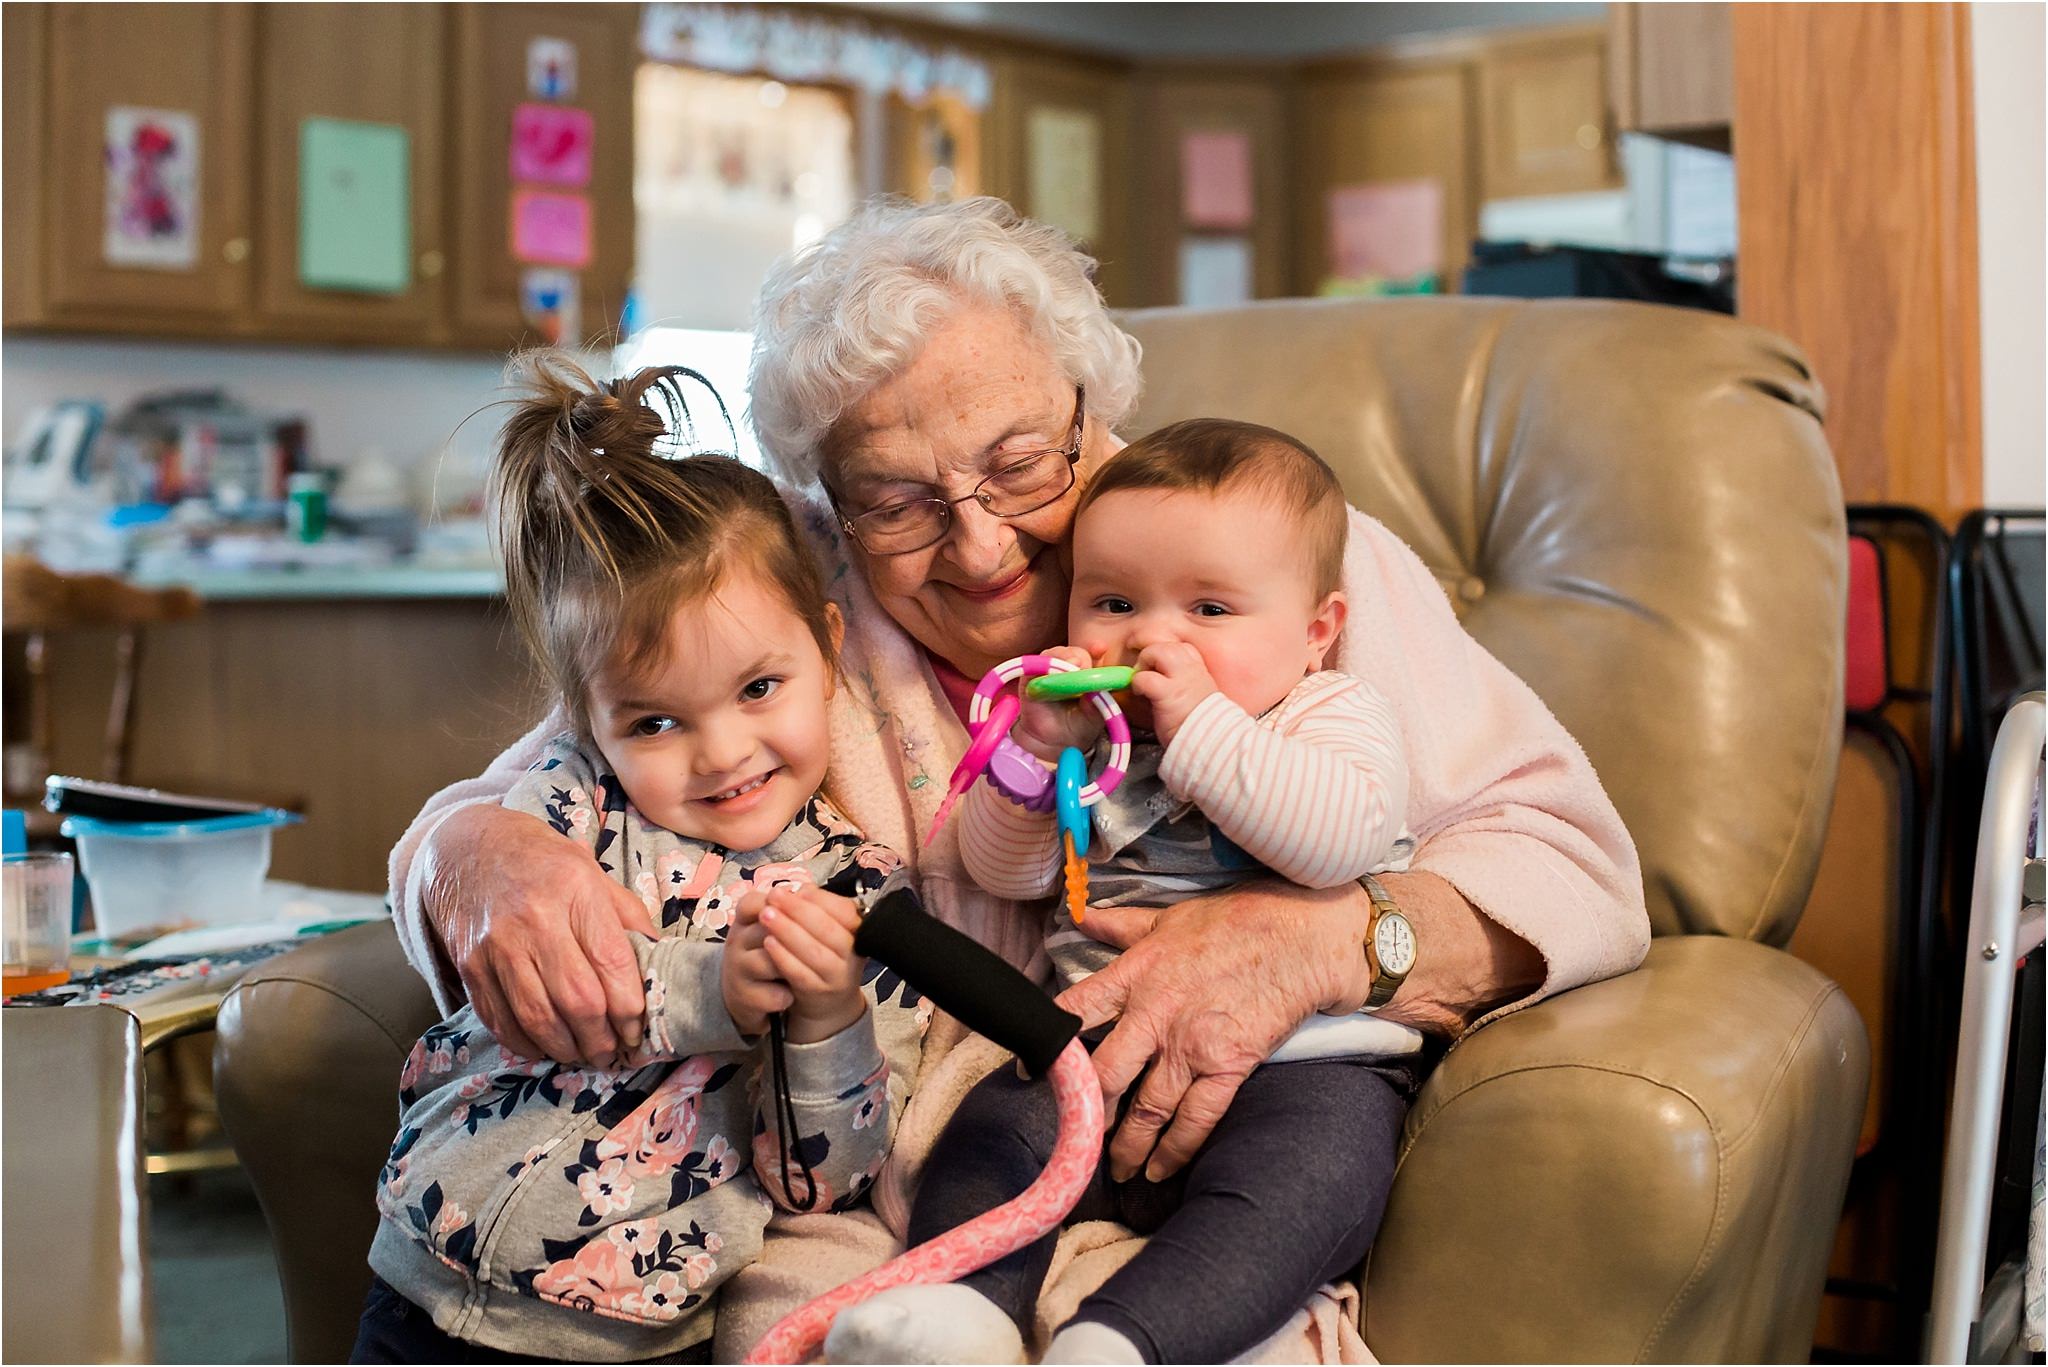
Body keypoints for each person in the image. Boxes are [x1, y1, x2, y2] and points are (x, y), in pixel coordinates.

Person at [390, 197, 1649, 1359]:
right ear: (825, 503)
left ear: (1092, 415)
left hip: (1233, 1150)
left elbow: (1572, 858)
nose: (980, 542)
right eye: (896, 500)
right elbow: (536, 790)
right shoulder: (794, 598)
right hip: (905, 1188)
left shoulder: (1266, 561)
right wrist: (470, 856)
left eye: (1019, 463)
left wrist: (1324, 941)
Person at [353, 358, 925, 1364]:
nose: (720, 752)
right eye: (655, 719)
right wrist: (725, 990)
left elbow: (821, 1179)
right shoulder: (569, 801)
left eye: (758, 687)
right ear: (586, 721)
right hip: (416, 1273)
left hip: (634, 1333)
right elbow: (570, 996)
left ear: (827, 650)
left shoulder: (864, 897)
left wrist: (829, 1019)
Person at [831, 418, 1426, 1364]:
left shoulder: (1327, 711)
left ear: (1317, 632)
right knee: (990, 1136)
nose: (1152, 639)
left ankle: (1120, 1342)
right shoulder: (1094, 745)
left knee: (1303, 1191)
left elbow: (1336, 839)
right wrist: (1033, 750)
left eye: (1211, 611)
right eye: (1112, 601)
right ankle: (960, 1315)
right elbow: (1005, 871)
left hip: (1309, 1066)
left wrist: (1200, 730)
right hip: (1095, 1056)